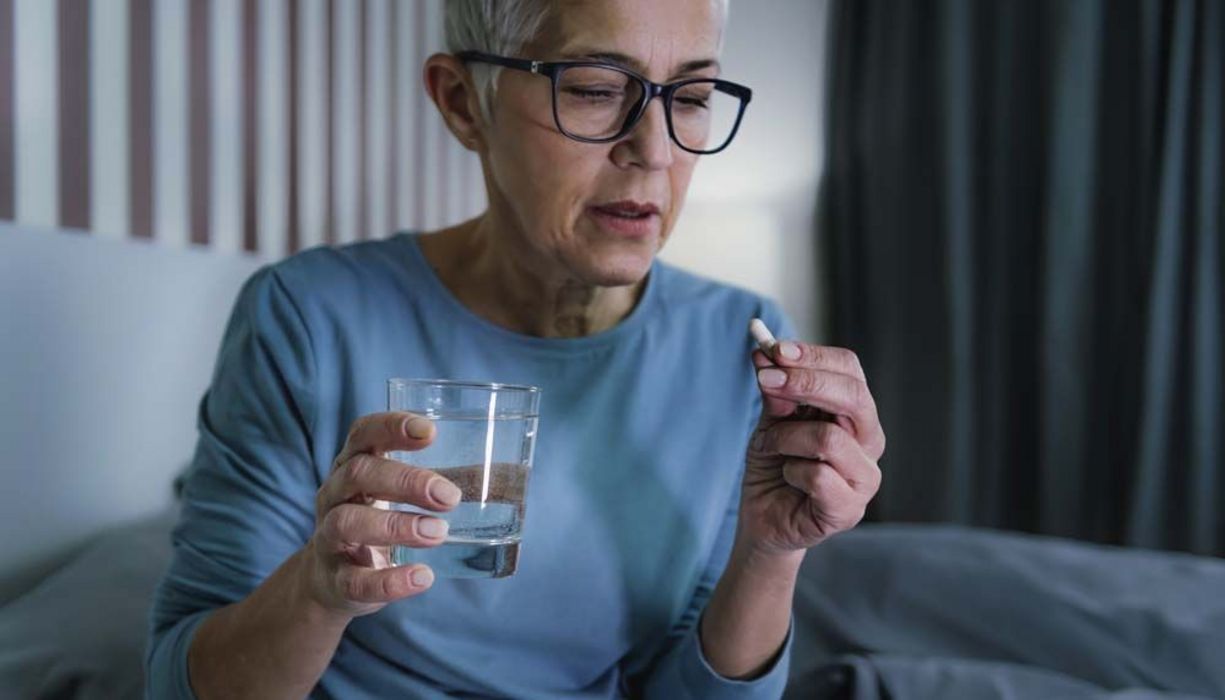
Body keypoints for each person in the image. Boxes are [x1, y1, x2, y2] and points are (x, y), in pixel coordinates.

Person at [146, 0, 886, 697]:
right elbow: (180, 684)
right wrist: (317, 590)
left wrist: (769, 550)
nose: (653, 151)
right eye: (596, 89)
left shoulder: (742, 340)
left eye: (689, 98)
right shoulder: (309, 315)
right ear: (464, 102)